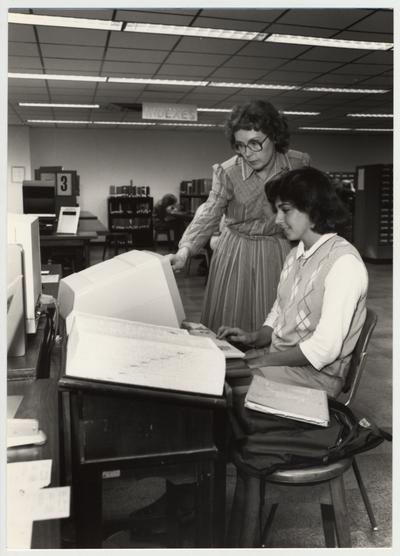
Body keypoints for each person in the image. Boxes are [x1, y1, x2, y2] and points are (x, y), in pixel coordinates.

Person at [217, 167, 368, 398]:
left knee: (224, 387)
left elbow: (324, 350)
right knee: (219, 368)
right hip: (283, 361)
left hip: (317, 377)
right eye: (277, 210)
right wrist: (255, 337)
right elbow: (280, 312)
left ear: (313, 209)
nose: (277, 220)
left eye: (285, 210)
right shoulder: (295, 254)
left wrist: (262, 360)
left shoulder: (344, 263)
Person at [169, 99, 311, 333]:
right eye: (240, 145)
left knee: (276, 321)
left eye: (255, 143)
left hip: (279, 250)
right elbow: (210, 211)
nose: (248, 153)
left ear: (274, 136)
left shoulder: (297, 164)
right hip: (236, 253)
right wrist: (185, 250)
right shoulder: (228, 171)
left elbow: (310, 209)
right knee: (230, 322)